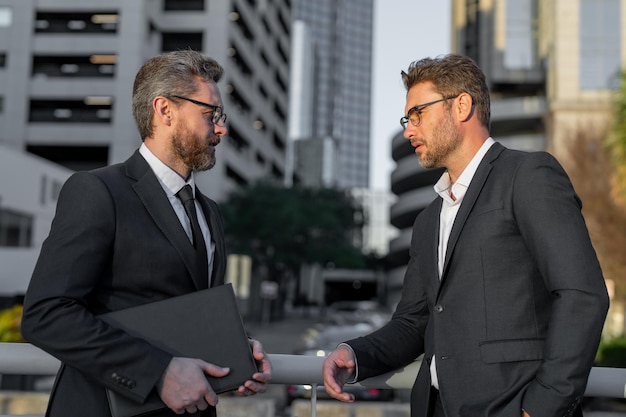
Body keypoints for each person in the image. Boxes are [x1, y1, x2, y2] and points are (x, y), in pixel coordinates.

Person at [322, 54, 609, 417]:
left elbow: (582, 295)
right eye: (406, 119)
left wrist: (543, 406)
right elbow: (413, 322)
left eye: (418, 114)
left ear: (461, 106)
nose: (409, 130)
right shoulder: (429, 219)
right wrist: (355, 353)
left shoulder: (528, 175)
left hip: (514, 408)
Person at [21, 50, 271, 417]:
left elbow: (190, 309)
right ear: (165, 109)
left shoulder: (210, 211)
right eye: (210, 114)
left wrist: (236, 354)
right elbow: (46, 314)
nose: (221, 128)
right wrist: (157, 372)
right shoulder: (97, 191)